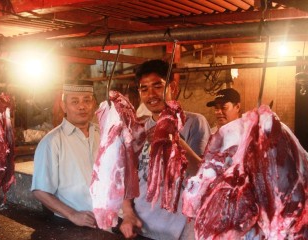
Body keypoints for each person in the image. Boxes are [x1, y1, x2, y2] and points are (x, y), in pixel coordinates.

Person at [120, 59, 211, 240]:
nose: (151, 94)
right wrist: (128, 213)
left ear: (173, 88)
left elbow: (201, 175)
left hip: (181, 228)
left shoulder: (194, 122)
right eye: (144, 89)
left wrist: (174, 139)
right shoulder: (138, 129)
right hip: (142, 225)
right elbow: (128, 178)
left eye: (157, 86)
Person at [31, 81, 99, 228]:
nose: (82, 106)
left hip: (107, 222)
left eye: (87, 100)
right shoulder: (52, 141)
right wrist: (73, 214)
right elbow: (40, 190)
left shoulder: (103, 134)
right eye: (75, 101)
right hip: (71, 225)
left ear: (93, 103)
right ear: (64, 106)